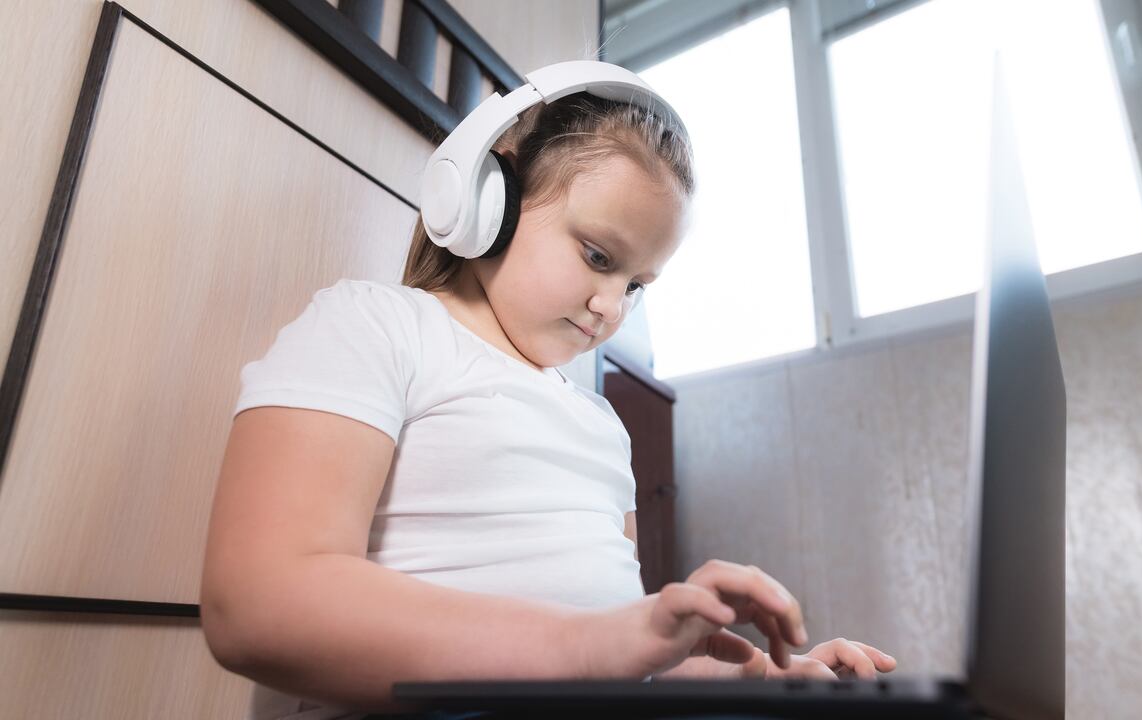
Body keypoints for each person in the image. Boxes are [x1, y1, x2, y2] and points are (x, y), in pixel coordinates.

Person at [199, 64, 896, 720]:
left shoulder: (599, 425)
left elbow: (612, 659)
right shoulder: (376, 325)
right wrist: (587, 651)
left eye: (636, 286)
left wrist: (758, 680)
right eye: (598, 256)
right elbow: (257, 606)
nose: (612, 308)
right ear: (487, 199)